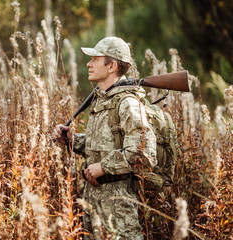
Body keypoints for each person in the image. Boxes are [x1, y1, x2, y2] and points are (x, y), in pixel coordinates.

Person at [53, 37, 157, 239]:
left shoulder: (128, 103)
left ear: (112, 66)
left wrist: (103, 167)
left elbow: (144, 152)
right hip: (94, 202)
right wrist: (71, 139)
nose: (88, 64)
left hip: (118, 208)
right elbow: (103, 145)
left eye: (95, 59)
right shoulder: (103, 100)